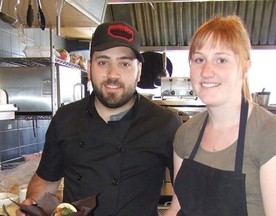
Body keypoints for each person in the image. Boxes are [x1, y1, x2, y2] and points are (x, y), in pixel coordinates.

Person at [17, 21, 182, 216]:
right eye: (103, 62)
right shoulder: (65, 119)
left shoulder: (165, 124)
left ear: (139, 71)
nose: (113, 74)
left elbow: (184, 200)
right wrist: (34, 206)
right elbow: (46, 180)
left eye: (124, 64)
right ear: (89, 68)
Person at [164, 15, 276, 216]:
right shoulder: (186, 133)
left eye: (221, 60)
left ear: (245, 67)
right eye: (199, 59)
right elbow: (177, 207)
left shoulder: (268, 131)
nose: (206, 71)